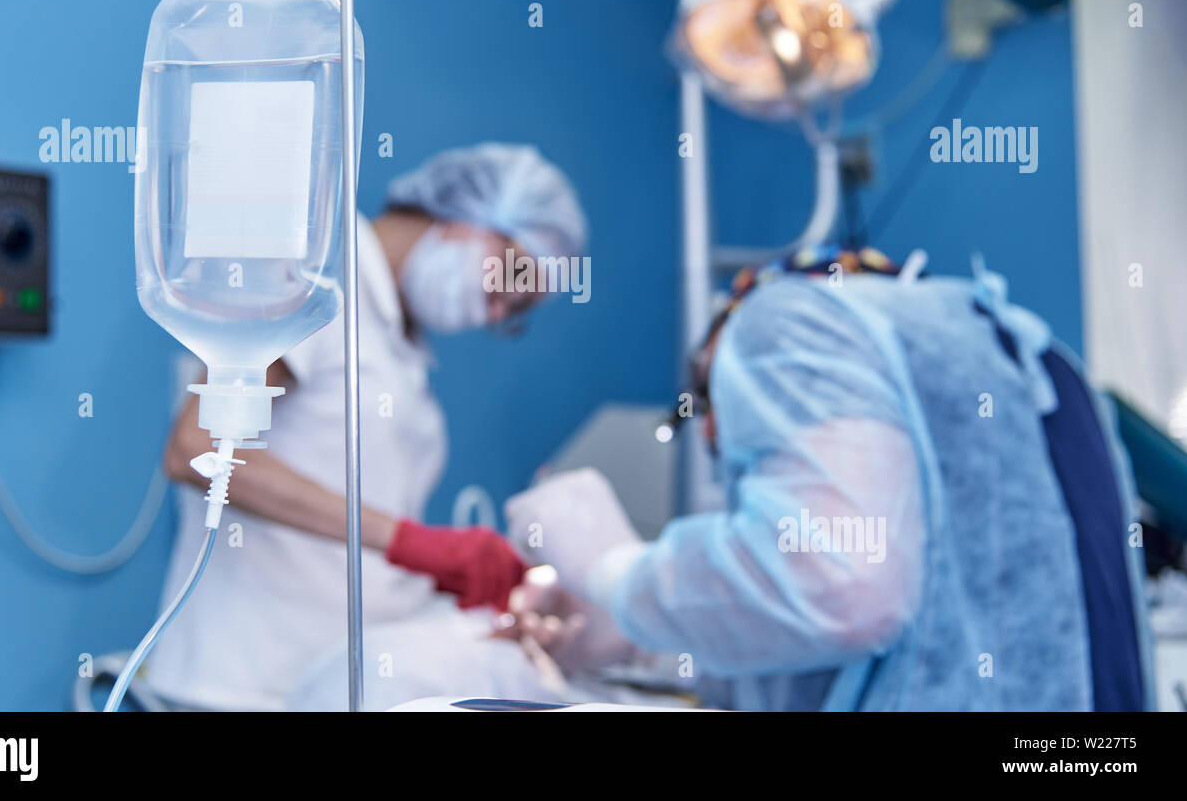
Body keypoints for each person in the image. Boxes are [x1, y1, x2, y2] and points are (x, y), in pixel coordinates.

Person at [504, 246, 1155, 710]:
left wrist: (616, 569)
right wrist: (645, 635)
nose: (710, 435)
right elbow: (884, 632)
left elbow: (842, 589)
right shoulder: (1035, 355)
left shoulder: (789, 322)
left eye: (709, 396)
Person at [146, 142, 588, 711]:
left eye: (515, 312)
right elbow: (195, 448)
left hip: (341, 677)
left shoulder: (402, 339)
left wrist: (453, 582)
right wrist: (413, 543)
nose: (496, 312)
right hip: (250, 680)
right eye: (506, 284)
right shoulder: (313, 273)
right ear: (470, 216)